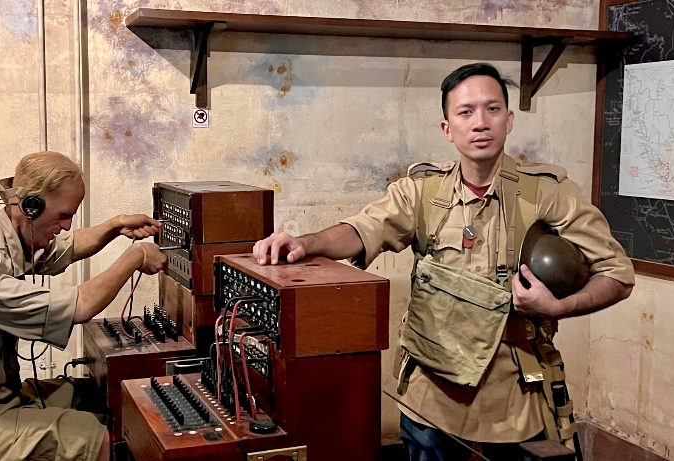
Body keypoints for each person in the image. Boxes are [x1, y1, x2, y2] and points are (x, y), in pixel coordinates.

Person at [252, 63, 635, 460]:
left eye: (492, 109)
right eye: (465, 112)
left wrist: (558, 307)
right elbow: (363, 228)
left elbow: (617, 274)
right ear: (447, 128)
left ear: (509, 120)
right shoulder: (422, 191)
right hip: (431, 395)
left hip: (515, 395)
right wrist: (304, 242)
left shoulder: (548, 194)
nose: (480, 123)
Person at [0, 151, 167, 461]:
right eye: (63, 215)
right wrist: (135, 257)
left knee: (86, 394)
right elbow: (81, 305)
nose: (68, 226)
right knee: (97, 438)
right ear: (31, 206)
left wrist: (115, 225)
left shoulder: (3, 233)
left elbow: (66, 248)